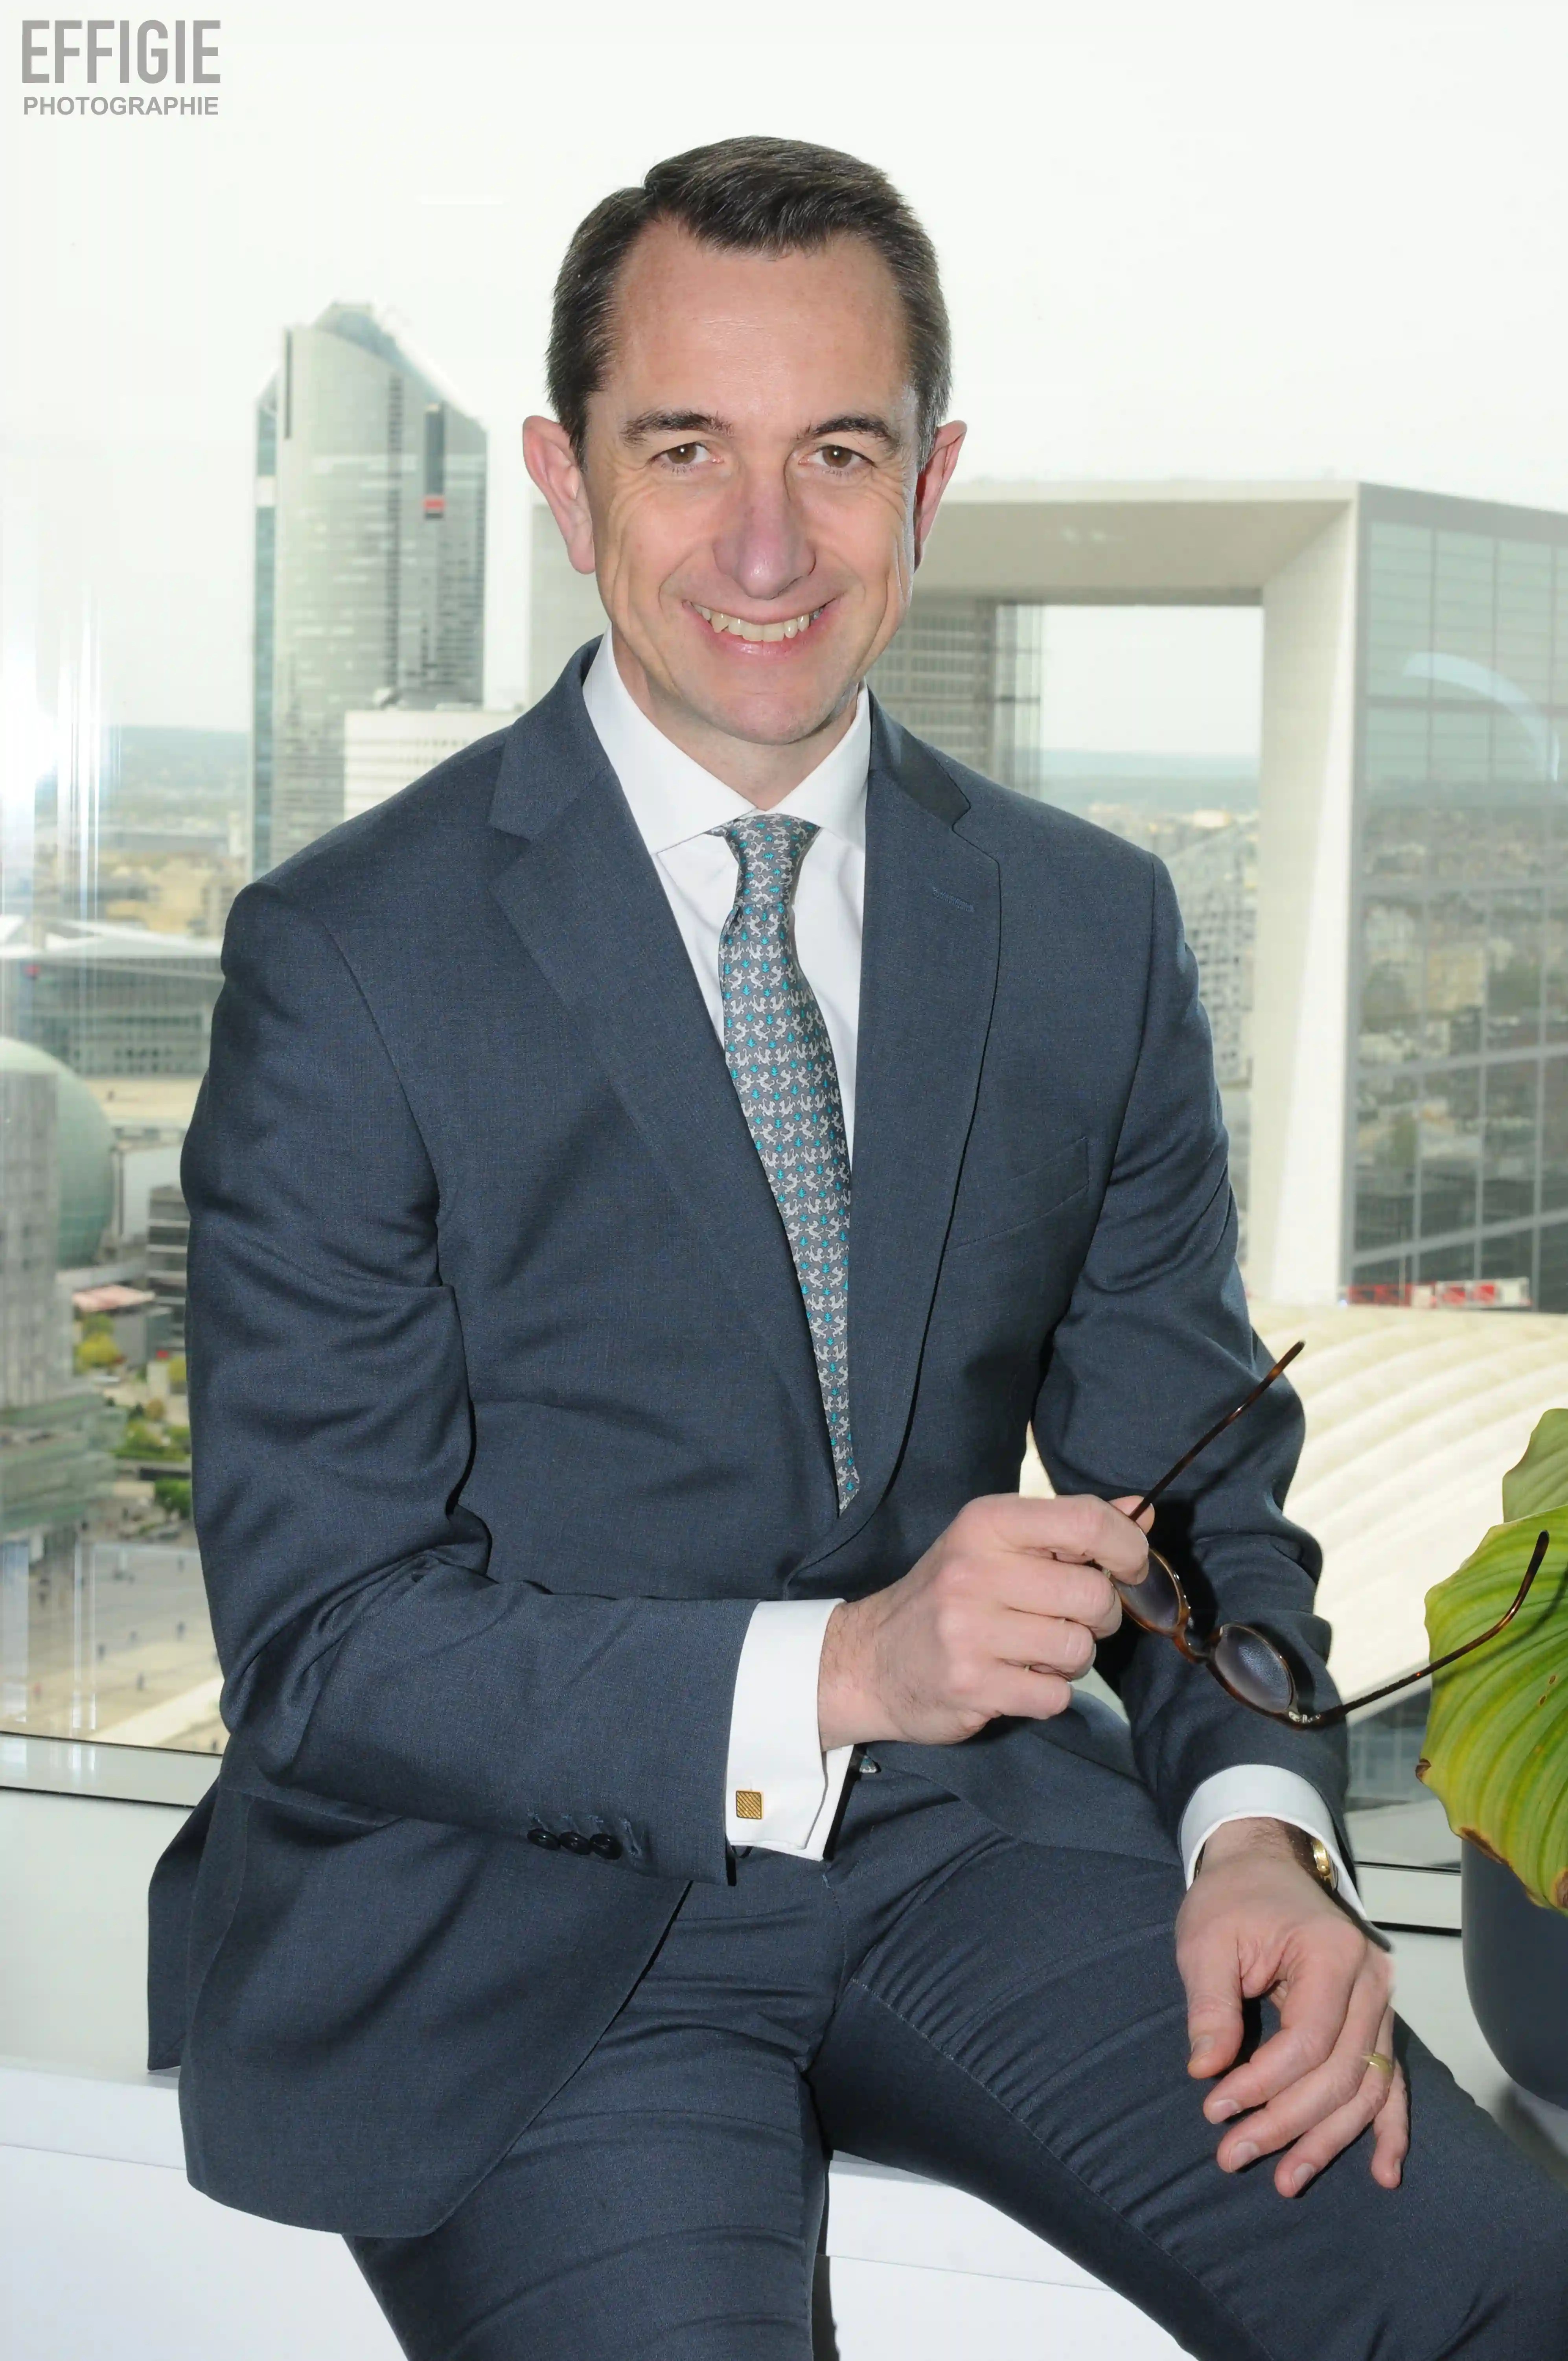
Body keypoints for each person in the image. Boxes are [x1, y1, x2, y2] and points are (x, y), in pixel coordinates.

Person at [148, 135, 1568, 2358]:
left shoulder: (1087, 925)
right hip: (504, 1923)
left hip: (963, 1848)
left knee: (1507, 2284)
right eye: (683, 448)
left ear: (930, 482)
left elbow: (1188, 1477)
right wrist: (838, 1671)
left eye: (836, 451)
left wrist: (1257, 1832)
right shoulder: (349, 957)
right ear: (562, 478)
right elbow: (326, 1642)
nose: (764, 540)